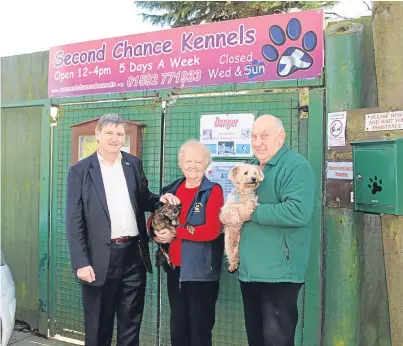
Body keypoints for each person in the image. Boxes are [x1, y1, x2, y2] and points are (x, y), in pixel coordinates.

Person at [65, 113, 179, 346]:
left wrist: (161, 200)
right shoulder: (80, 171)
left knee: (130, 324)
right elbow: (74, 219)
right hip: (98, 259)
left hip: (133, 255)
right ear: (97, 134)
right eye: (109, 133)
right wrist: (81, 262)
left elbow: (143, 199)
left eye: (119, 134)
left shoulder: (133, 164)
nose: (114, 138)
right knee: (99, 326)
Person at [220, 115, 317, 346]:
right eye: (254, 136)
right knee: (256, 339)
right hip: (250, 270)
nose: (258, 142)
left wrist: (251, 213)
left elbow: (299, 212)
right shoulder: (252, 168)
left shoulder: (295, 166)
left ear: (281, 137)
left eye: (264, 136)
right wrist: (229, 216)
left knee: (277, 340)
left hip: (279, 273)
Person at [150, 140, 224, 346]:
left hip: (202, 271)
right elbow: (154, 219)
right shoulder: (171, 190)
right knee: (179, 326)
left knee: (199, 329)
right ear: (181, 164)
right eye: (188, 161)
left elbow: (211, 230)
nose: (193, 165)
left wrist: (174, 232)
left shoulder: (212, 191)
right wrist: (157, 233)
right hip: (176, 269)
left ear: (206, 164)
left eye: (198, 161)